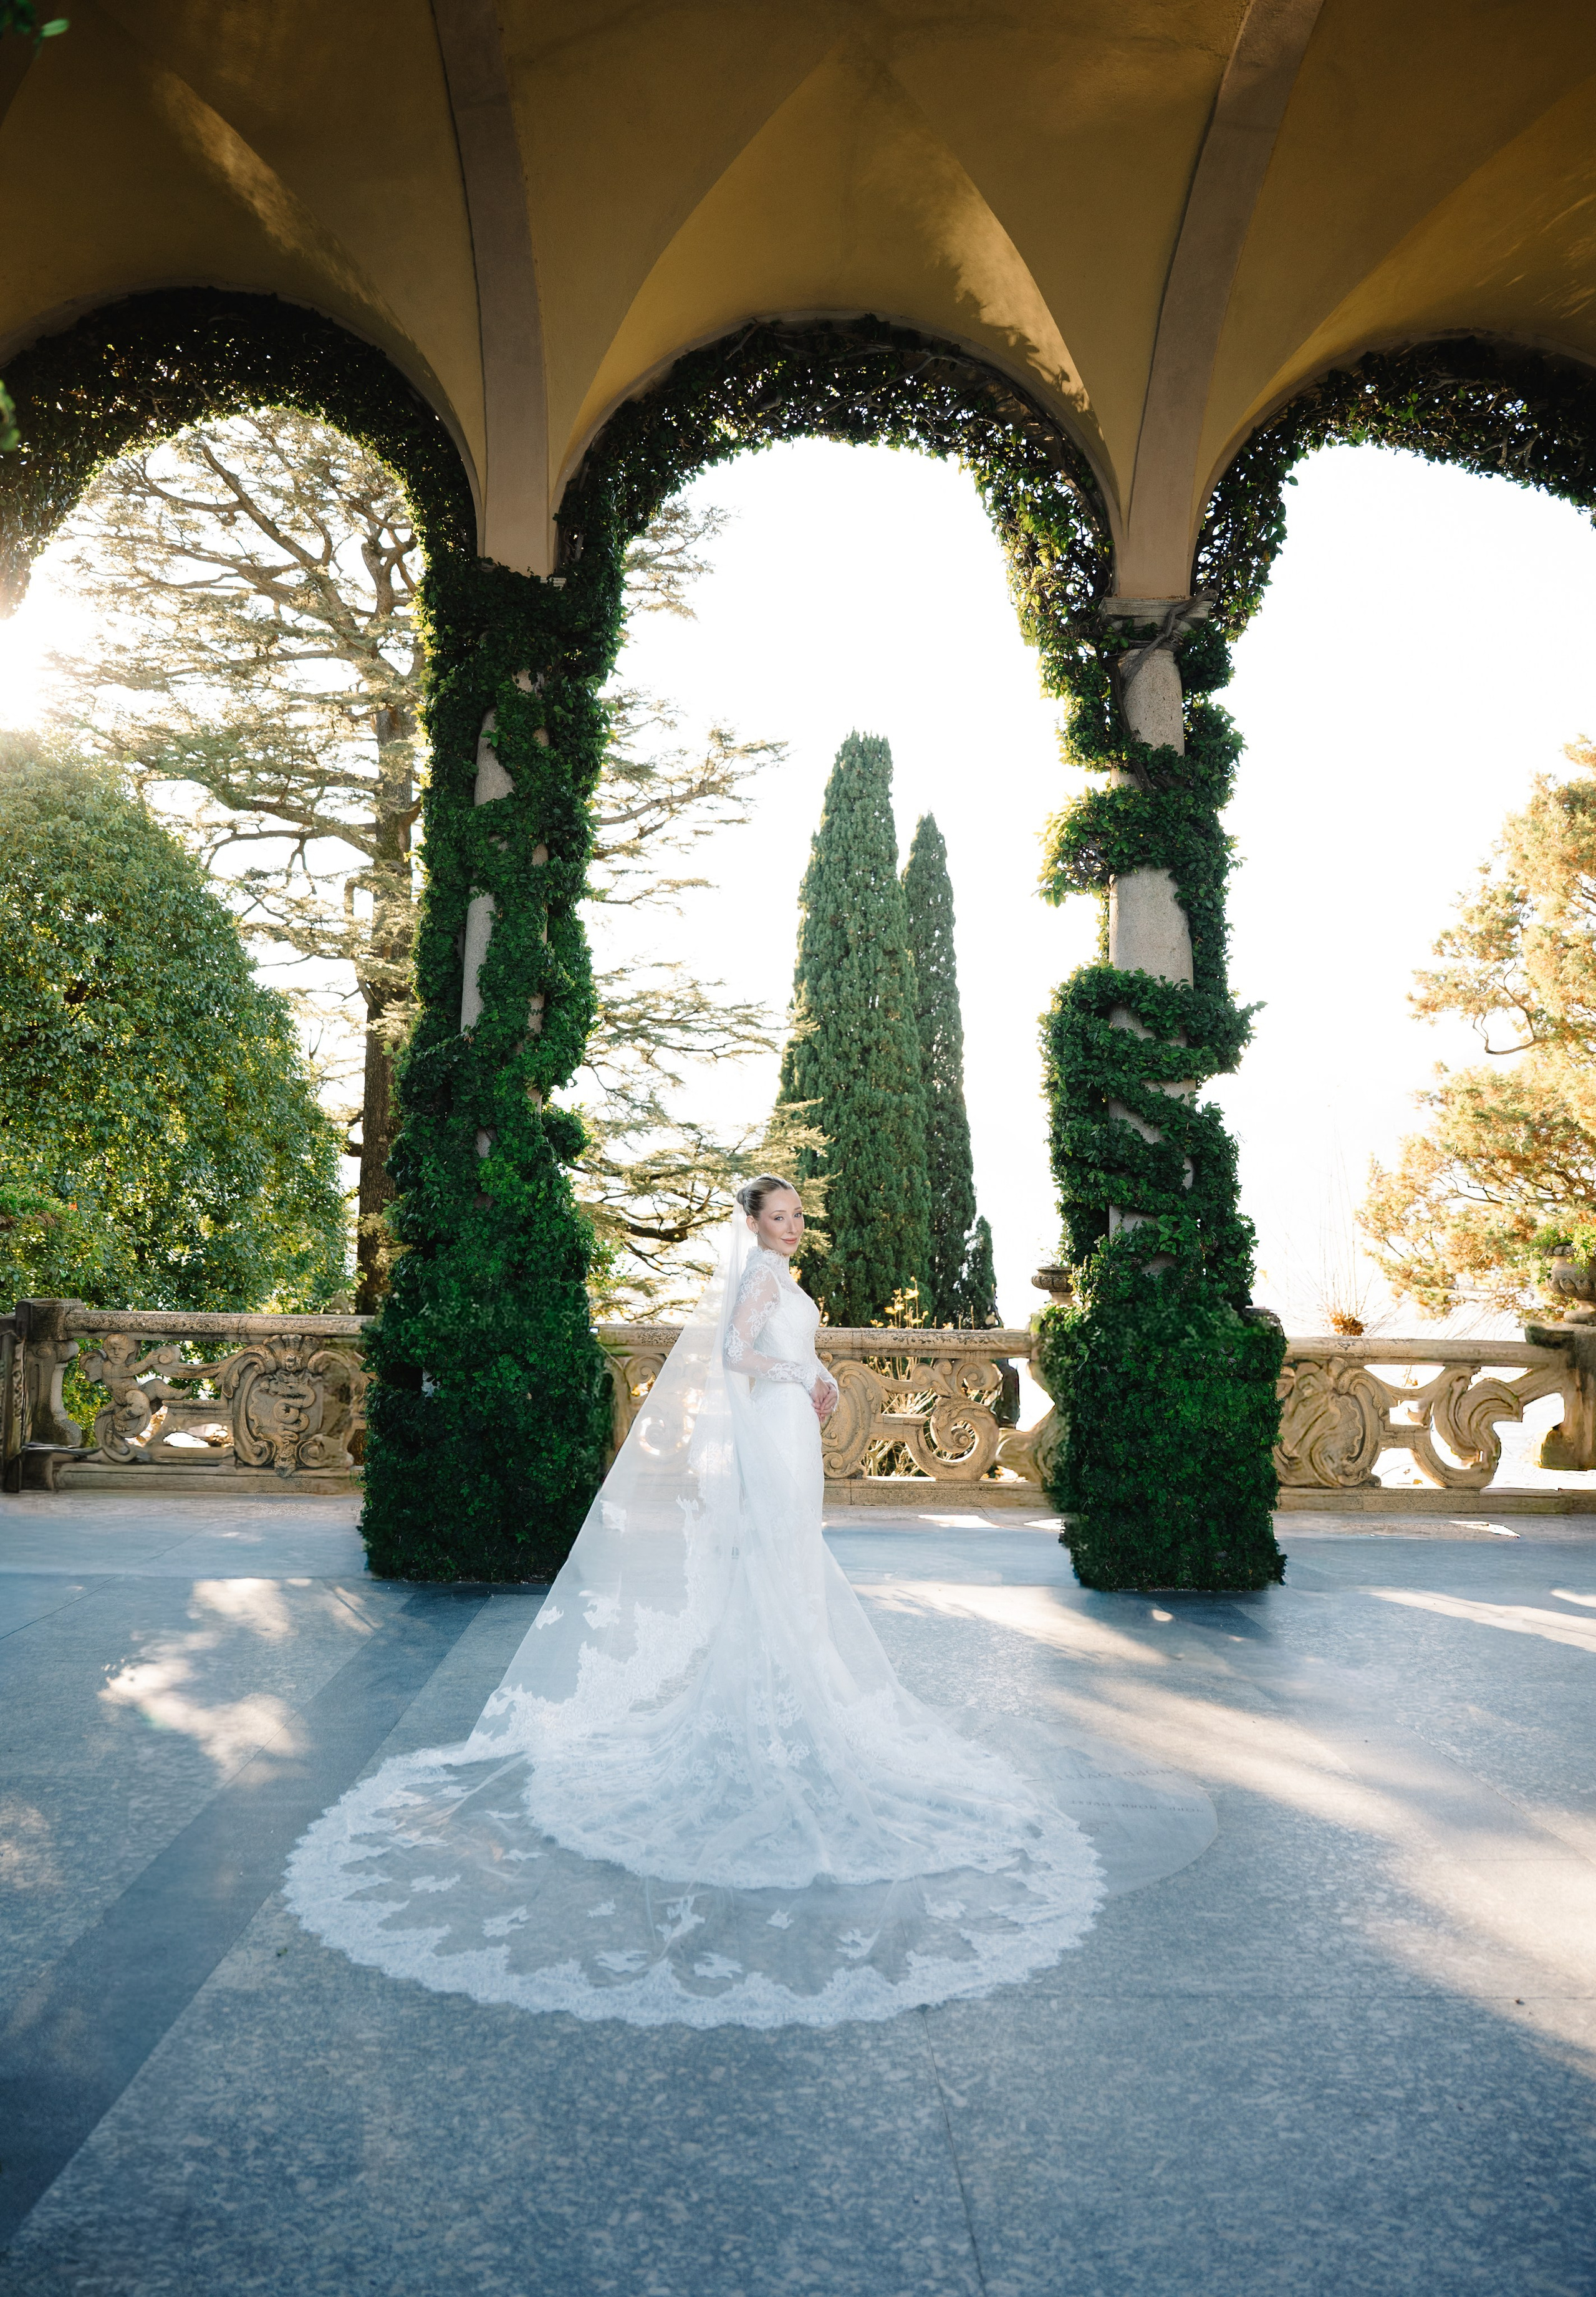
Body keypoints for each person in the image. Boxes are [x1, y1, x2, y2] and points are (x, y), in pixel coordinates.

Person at [287, 1180, 1201, 2030]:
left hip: (788, 1429)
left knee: (790, 1560)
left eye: (798, 1217)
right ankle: (773, 1703)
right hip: (771, 1431)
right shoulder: (761, 1279)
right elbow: (735, 1352)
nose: (793, 1228)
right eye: (780, 1218)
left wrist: (817, 1373)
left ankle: (776, 1693)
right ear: (754, 1227)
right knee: (776, 1558)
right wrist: (801, 1377)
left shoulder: (782, 1277)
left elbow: (775, 1350)